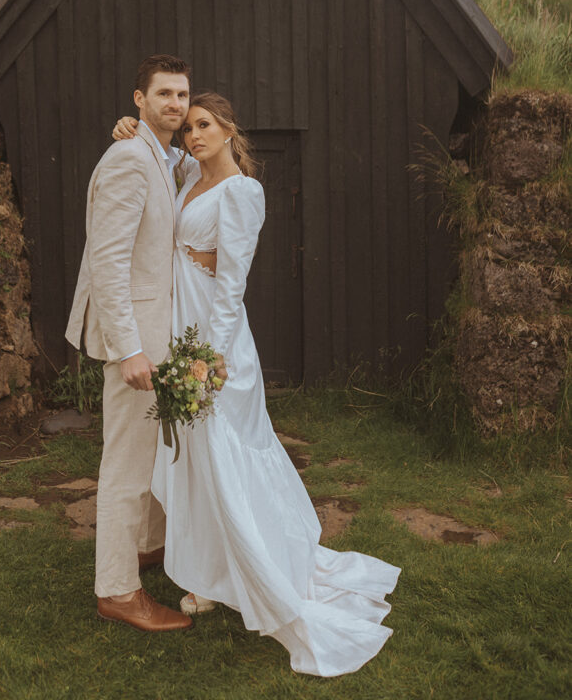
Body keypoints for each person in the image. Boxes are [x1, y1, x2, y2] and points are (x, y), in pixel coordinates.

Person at [112, 92, 400, 676]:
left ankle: (231, 573)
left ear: (228, 129)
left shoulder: (243, 191)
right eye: (188, 126)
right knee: (194, 455)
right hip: (177, 323)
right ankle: (205, 565)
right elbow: (157, 163)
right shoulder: (187, 169)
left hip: (213, 342)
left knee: (222, 455)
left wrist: (213, 361)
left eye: (204, 125)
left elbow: (233, 282)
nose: (193, 135)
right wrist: (131, 126)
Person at [65, 54, 197, 632]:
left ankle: (146, 547)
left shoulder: (161, 157)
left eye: (182, 95)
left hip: (156, 333)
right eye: (163, 94)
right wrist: (128, 349)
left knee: (154, 455)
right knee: (125, 464)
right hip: (134, 341)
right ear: (138, 100)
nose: (175, 103)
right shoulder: (128, 159)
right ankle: (118, 590)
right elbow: (109, 262)